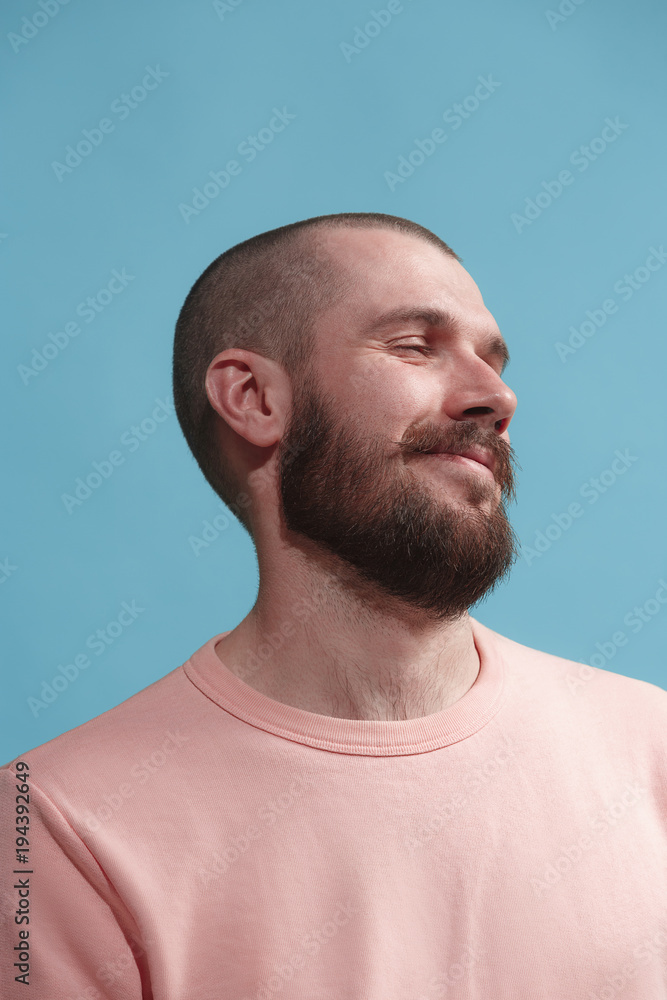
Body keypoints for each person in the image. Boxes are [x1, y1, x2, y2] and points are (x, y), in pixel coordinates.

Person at [2, 212, 666, 999]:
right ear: (252, 398)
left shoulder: (646, 748)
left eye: (492, 359)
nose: (496, 395)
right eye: (415, 345)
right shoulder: (47, 829)